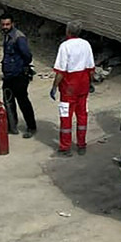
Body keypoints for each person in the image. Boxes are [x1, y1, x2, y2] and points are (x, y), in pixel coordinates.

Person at [50, 20, 95, 156]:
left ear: (67, 31)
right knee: (82, 116)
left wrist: (54, 87)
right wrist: (90, 83)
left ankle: (65, 147)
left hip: (69, 88)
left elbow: (60, 72)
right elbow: (91, 69)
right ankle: (81, 145)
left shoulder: (65, 46)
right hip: (83, 86)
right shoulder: (86, 44)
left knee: (66, 117)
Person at [0, 12, 37, 138]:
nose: (5, 26)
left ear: (13, 24)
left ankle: (31, 127)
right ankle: (12, 126)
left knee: (23, 101)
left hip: (19, 75)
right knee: (8, 100)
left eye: (7, 24)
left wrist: (22, 68)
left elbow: (27, 55)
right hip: (8, 75)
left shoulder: (18, 37)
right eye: (3, 24)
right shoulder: (6, 36)